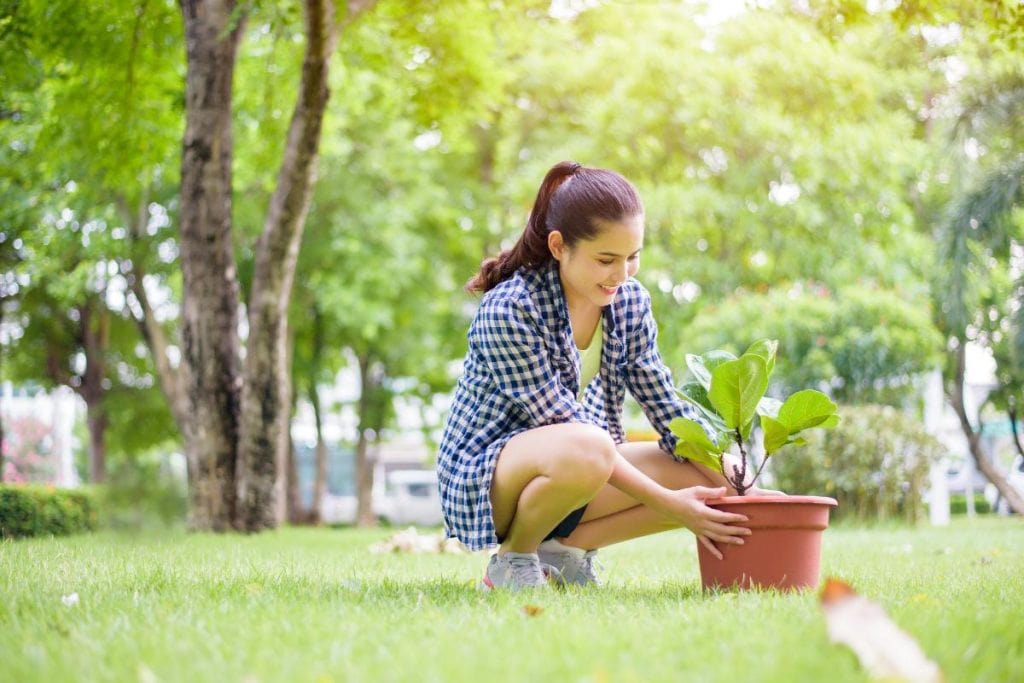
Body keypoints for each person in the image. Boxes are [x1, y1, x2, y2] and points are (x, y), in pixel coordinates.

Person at [437, 160, 761, 591]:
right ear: (558, 246)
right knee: (590, 445)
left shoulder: (629, 303)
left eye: (633, 257)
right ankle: (513, 558)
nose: (621, 274)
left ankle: (563, 553)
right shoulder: (511, 309)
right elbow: (566, 428)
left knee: (704, 472)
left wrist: (741, 481)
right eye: (606, 259)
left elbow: (665, 407)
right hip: (489, 481)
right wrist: (673, 507)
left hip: (578, 466)